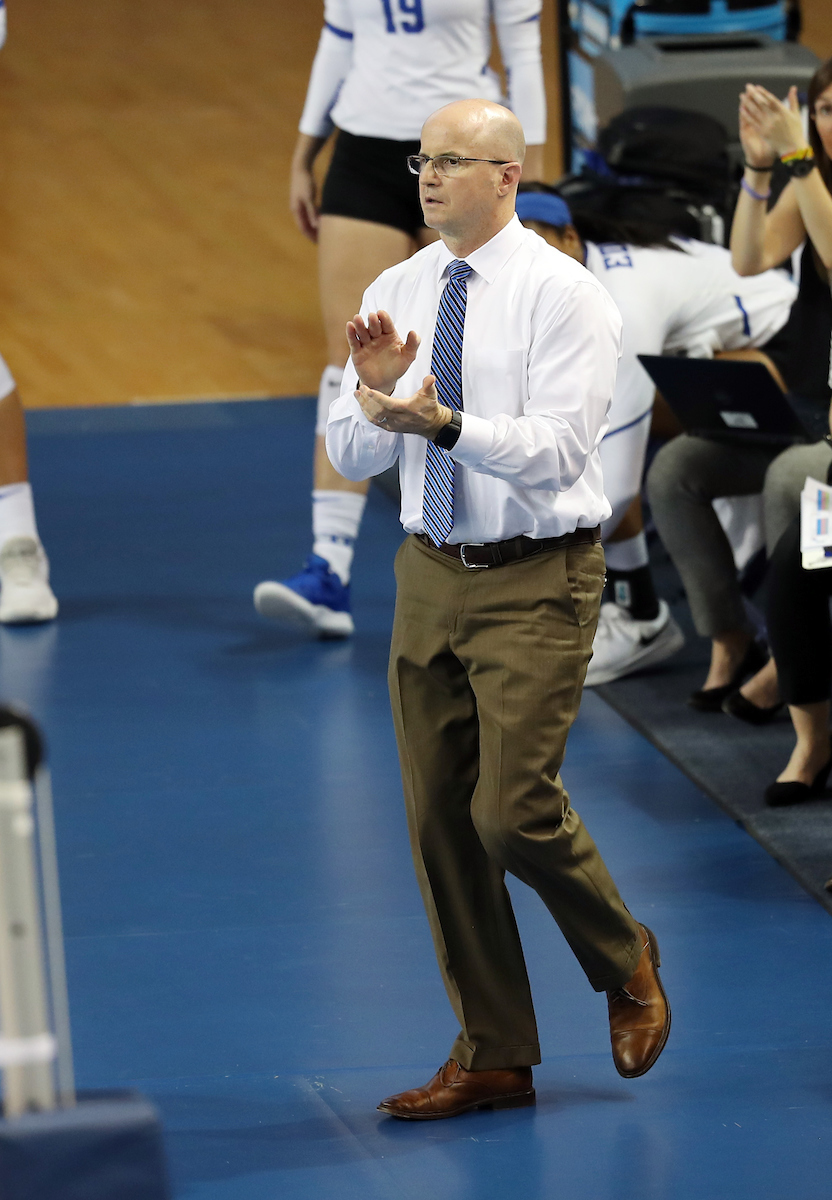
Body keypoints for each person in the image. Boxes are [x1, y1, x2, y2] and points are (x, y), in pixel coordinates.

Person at [327, 99, 670, 1119]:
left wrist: (442, 422)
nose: (427, 178)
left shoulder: (565, 297)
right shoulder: (395, 289)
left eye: (450, 162)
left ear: (505, 177)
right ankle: (492, 1054)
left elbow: (562, 453)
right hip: (429, 570)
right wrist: (371, 389)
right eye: (420, 161)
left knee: (508, 809)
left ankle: (625, 954)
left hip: (536, 575)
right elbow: (349, 451)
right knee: (438, 823)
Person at [254, 0, 546, 638]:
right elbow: (339, 37)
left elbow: (523, 52)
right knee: (353, 351)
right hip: (362, 147)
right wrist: (306, 153)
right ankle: (328, 566)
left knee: (465, 344)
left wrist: (532, 171)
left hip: (466, 154)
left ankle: (487, 556)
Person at [514, 184, 797, 685]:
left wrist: (518, 577)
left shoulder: (619, 303)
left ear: (572, 238)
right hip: (716, 361)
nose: (525, 265)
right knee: (578, 431)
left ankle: (696, 615)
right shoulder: (565, 286)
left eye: (535, 245)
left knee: (598, 452)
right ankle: (640, 612)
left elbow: (616, 486)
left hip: (792, 363)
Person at [646, 58, 832, 715]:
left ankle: (799, 658)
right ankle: (732, 636)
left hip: (823, 435)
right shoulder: (814, 177)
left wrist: (801, 160)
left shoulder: (813, 174)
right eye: (826, 110)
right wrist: (760, 167)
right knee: (678, 469)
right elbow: (750, 258)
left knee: (793, 480)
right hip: (811, 407)